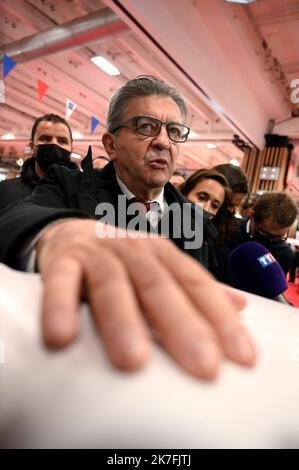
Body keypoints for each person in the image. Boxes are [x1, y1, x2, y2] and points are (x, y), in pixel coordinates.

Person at [0, 75, 257, 380]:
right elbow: (13, 218)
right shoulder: (67, 184)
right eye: (145, 127)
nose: (162, 141)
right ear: (111, 144)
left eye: (173, 131)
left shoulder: (196, 220)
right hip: (75, 369)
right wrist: (57, 231)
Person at [0, 113, 77, 210]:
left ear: (71, 149)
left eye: (62, 141)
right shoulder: (5, 191)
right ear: (32, 146)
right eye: (45, 139)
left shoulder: (84, 195)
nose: (54, 144)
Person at [229, 191, 297, 276]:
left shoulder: (284, 254)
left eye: (279, 237)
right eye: (265, 235)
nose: (272, 241)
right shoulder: (229, 230)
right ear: (252, 216)